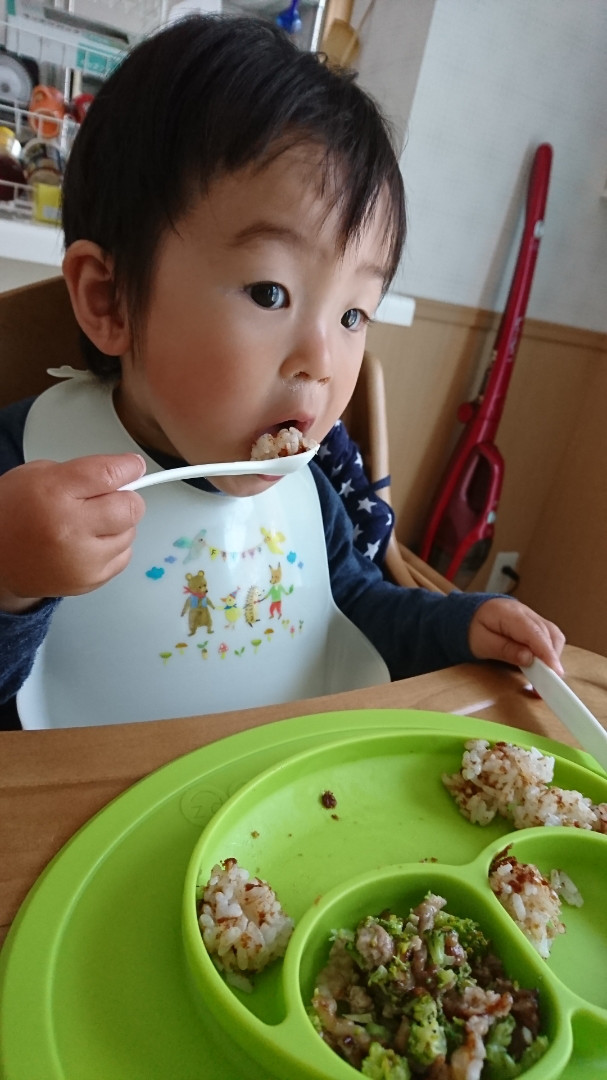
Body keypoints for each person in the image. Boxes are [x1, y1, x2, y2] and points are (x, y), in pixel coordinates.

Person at [0, 15, 564, 730]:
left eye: (353, 315)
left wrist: (461, 626)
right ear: (109, 300)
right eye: (270, 293)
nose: (320, 363)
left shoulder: (314, 483)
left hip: (284, 799)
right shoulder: (22, 470)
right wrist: (11, 579)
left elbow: (350, 612)